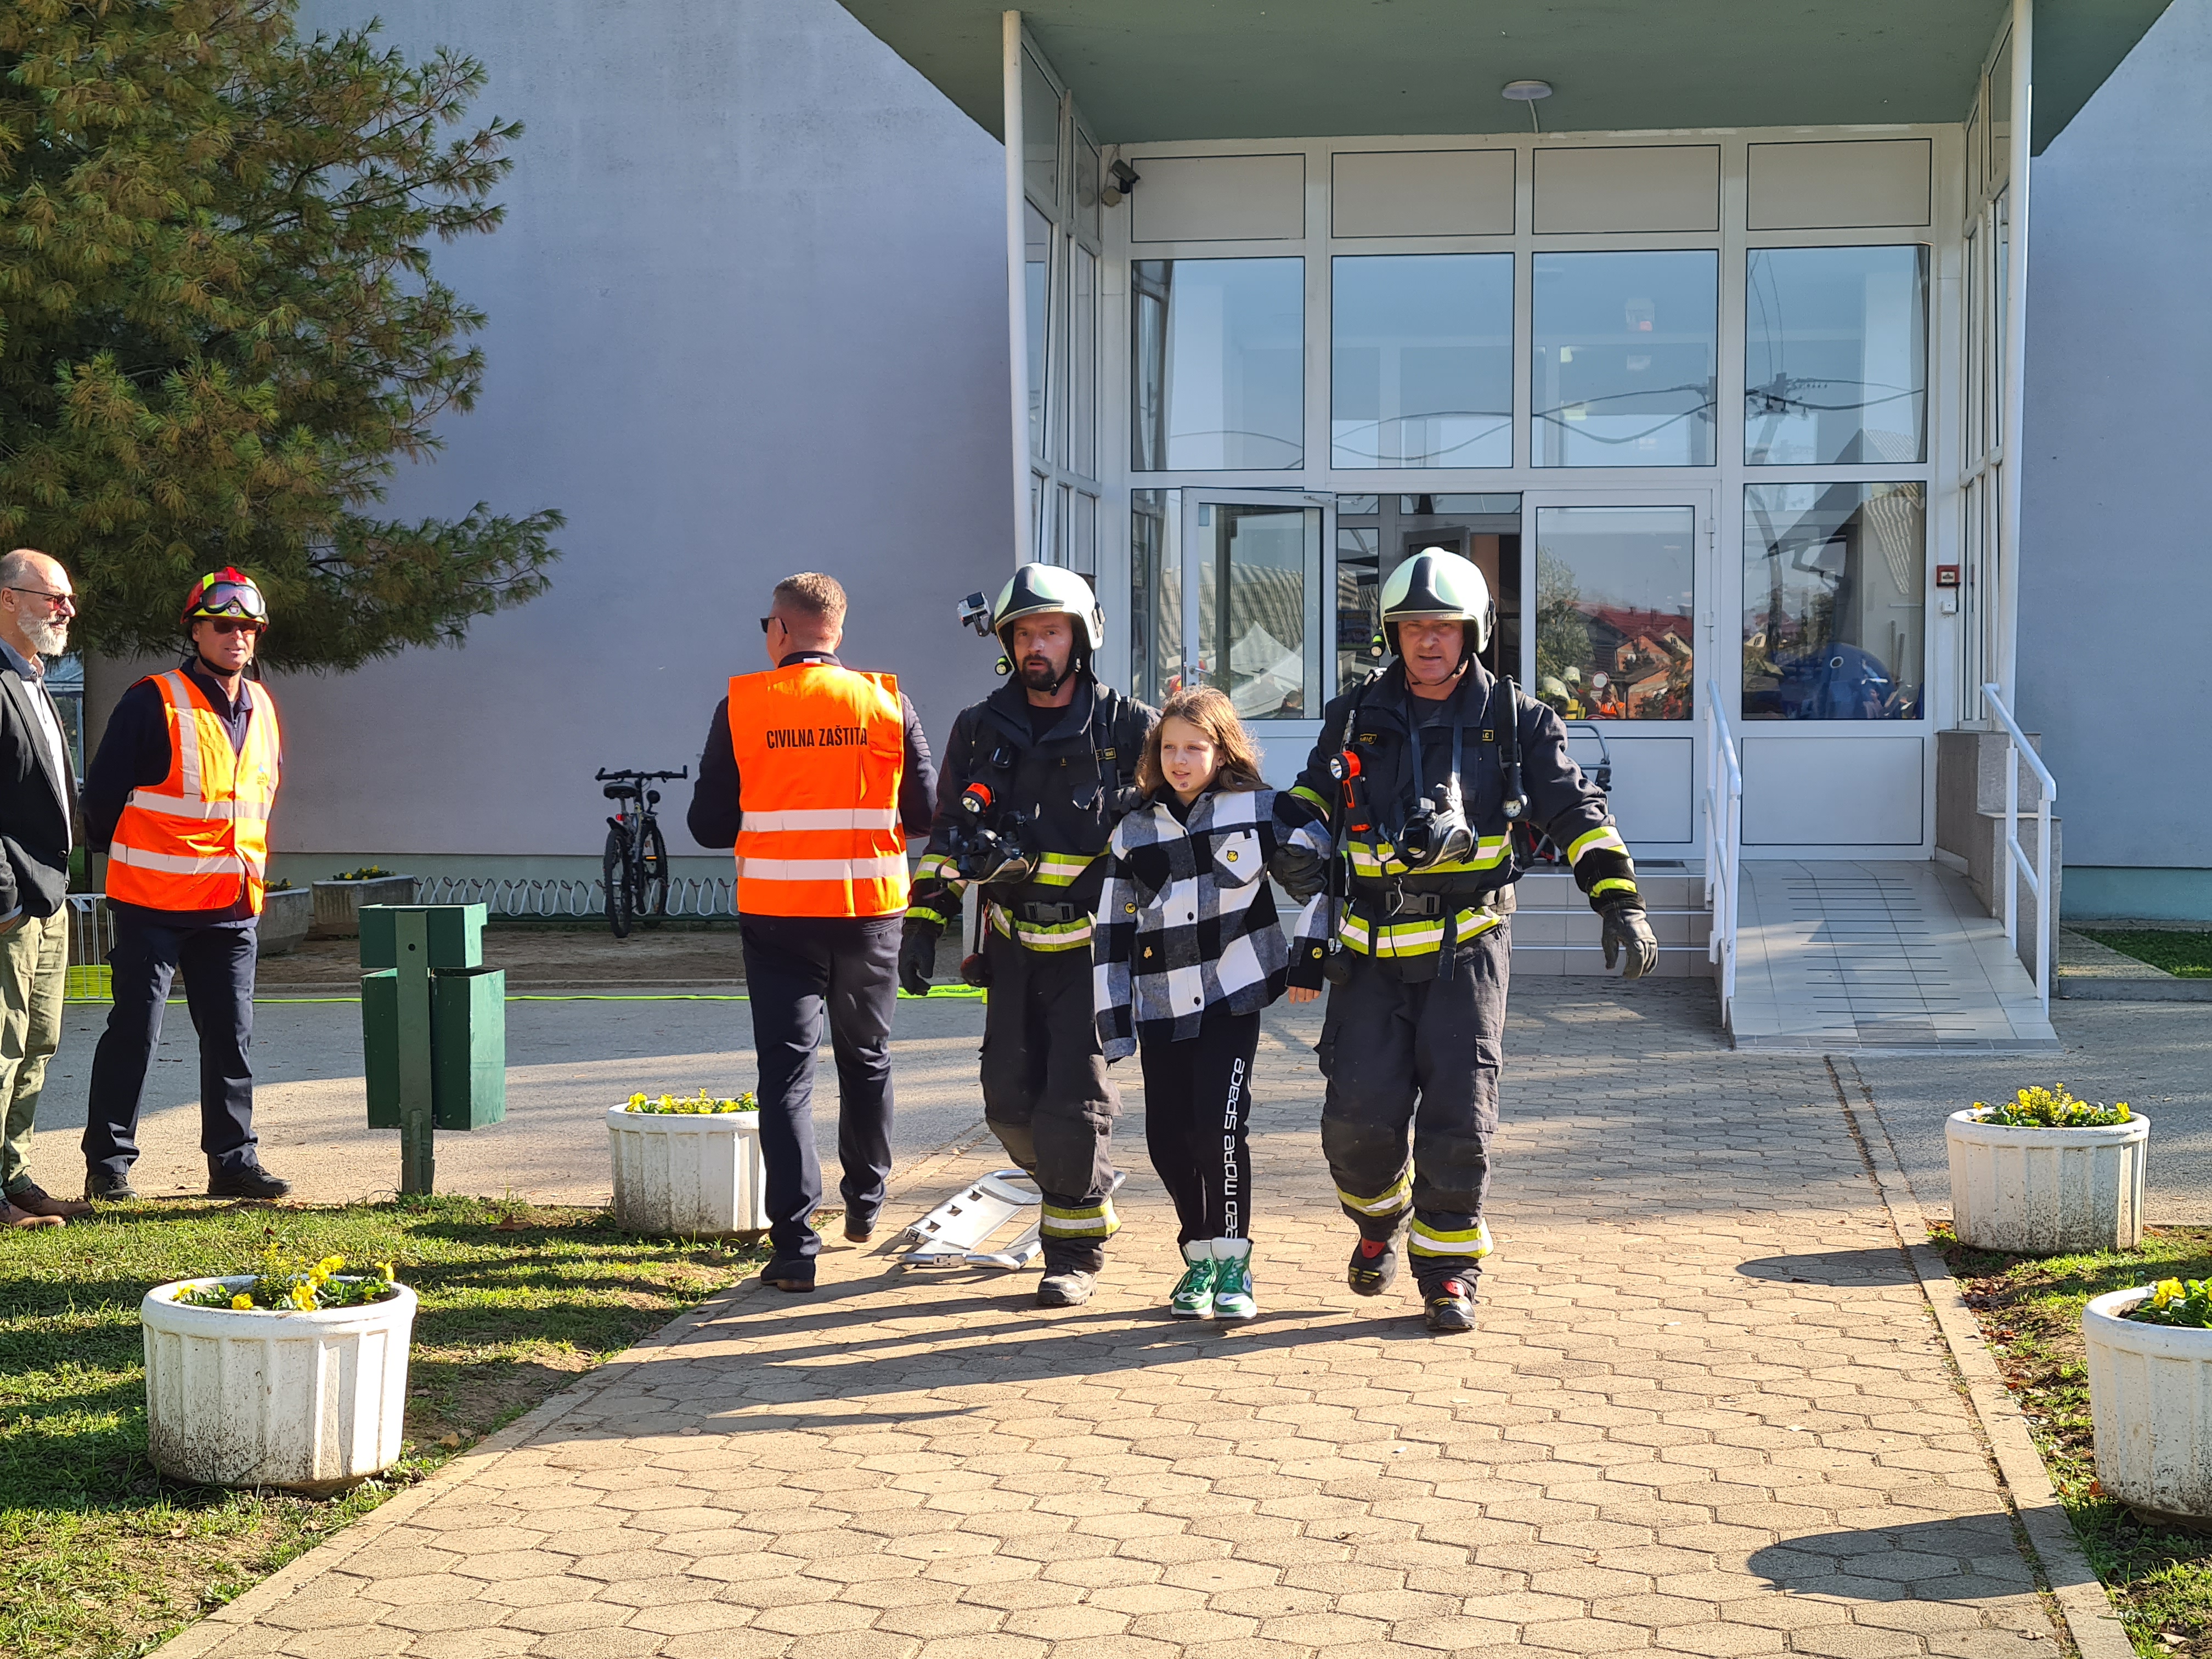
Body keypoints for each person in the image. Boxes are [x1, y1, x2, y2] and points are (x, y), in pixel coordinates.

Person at [1275, 549, 1659, 1335]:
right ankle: (1379, 1222)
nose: (1427, 642)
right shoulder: (1353, 715)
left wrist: (1620, 901)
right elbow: (1313, 794)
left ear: (1474, 632)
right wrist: (1296, 838)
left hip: (1467, 951)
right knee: (1356, 1124)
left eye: (1443, 628)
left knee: (1459, 1120)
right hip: (1369, 953)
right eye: (1413, 627)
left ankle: (1448, 1273)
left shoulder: (1517, 721)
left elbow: (1576, 811)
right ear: (1391, 634)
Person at [899, 565, 1155, 1307]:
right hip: (1011, 945)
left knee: (1073, 1104)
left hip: (1091, 950)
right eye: (1022, 634)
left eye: (1049, 631)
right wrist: (925, 921)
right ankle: (1076, 1194)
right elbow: (950, 828)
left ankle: (1073, 1250)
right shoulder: (979, 727)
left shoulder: (1126, 727)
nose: (1034, 646)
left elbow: (1163, 836)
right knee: (1009, 1102)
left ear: (1081, 636)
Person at [687, 572, 936, 1293]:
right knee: (868, 1059)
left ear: (781, 630)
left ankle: (795, 1247)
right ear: (838, 631)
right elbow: (923, 813)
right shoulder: (887, 701)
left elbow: (708, 827)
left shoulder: (742, 704)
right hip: (869, 912)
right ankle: (866, 1202)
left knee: (786, 1077)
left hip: (777, 918)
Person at [1092, 688, 1317, 1322]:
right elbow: (1110, 933)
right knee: (1168, 1137)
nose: (1181, 760)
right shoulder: (1134, 829)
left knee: (1219, 1129)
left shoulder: (1260, 808)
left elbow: (1328, 870)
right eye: (1170, 748)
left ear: (1222, 750)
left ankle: (1235, 1262)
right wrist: (1113, 1024)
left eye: (1196, 747)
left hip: (1231, 998)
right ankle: (1198, 1257)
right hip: (1160, 1005)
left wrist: (1310, 960)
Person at [82, 568, 292, 1201]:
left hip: (232, 904)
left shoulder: (263, 706)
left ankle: (233, 1162)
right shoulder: (154, 699)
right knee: (135, 1032)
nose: (237, 637)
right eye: (223, 625)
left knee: (232, 1035)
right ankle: (108, 1165)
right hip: (153, 902)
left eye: (248, 628)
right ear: (196, 630)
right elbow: (102, 799)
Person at [0, 552, 90, 1228]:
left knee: (38, 1042)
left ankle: (13, 1175)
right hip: (11, 902)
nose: (66, 609)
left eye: (67, 599)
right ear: (8, 598)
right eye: (54, 597)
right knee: (2, 1048)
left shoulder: (34, 679)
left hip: (49, 896)